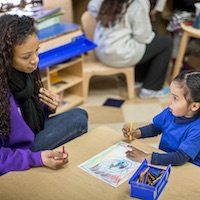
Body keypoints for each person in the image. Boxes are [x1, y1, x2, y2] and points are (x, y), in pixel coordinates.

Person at [0, 15, 88, 176]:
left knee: (80, 113)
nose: (35, 60)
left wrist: (47, 107)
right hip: (17, 154)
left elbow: (24, 116)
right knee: (79, 120)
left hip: (27, 140)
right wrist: (36, 158)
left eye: (37, 51)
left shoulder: (21, 75)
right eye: (26, 56)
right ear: (5, 58)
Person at [87, 0, 173, 99]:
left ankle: (137, 79)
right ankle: (151, 88)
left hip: (101, 51)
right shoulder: (139, 2)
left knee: (150, 40)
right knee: (166, 42)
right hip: (119, 55)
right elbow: (143, 36)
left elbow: (92, 6)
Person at [122, 70, 200, 166]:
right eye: (171, 95)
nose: (169, 101)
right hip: (166, 159)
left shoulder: (197, 129)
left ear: (194, 106)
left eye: (175, 98)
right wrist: (136, 133)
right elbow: (155, 128)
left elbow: (180, 157)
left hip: (188, 168)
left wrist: (146, 157)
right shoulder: (170, 112)